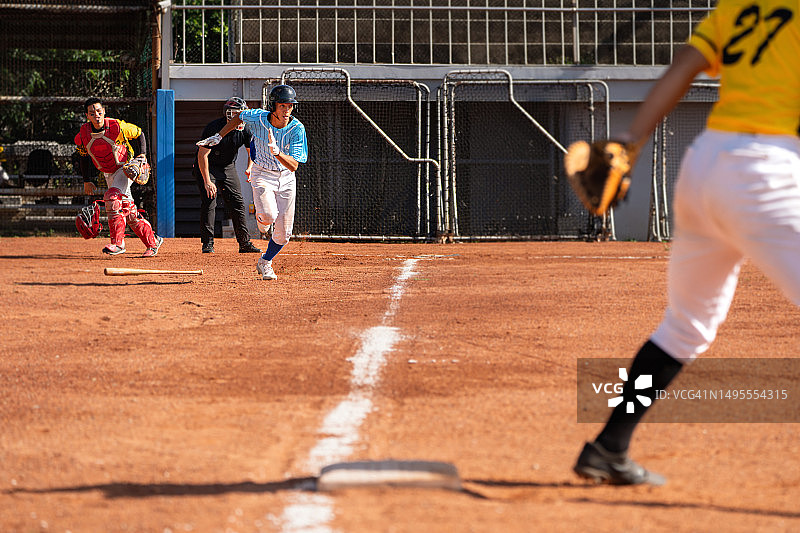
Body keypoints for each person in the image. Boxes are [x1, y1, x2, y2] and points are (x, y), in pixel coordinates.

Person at [573, 0, 800, 486]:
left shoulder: (741, 7)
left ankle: (609, 448)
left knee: (685, 326)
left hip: (704, 163)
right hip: (769, 168)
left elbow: (683, 67)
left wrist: (631, 140)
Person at [197, 85, 308, 280]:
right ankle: (264, 222)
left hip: (286, 178)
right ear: (272, 106)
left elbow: (294, 166)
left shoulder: (297, 128)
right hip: (263, 173)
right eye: (282, 105)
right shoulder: (258, 117)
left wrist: (278, 152)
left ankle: (265, 262)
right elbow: (239, 116)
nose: (287, 110)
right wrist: (219, 136)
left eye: (290, 106)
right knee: (268, 215)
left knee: (284, 234)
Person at [75, 97, 163, 257]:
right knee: (128, 212)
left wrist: (142, 155)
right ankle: (153, 241)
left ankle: (118, 243)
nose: (96, 115)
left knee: (112, 197)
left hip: (125, 168)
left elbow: (139, 133)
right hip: (108, 172)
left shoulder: (116, 126)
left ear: (104, 112)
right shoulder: (84, 134)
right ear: (87, 116)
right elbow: (83, 157)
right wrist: (87, 180)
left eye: (99, 111)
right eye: (92, 113)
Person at [193, 96, 262, 254]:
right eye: (235, 114)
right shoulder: (214, 128)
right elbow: (202, 155)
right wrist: (207, 181)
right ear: (227, 114)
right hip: (207, 165)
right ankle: (207, 243)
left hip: (227, 166)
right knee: (210, 200)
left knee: (237, 202)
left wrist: (249, 167)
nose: (238, 118)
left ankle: (244, 243)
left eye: (241, 114)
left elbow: (251, 151)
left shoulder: (245, 129)